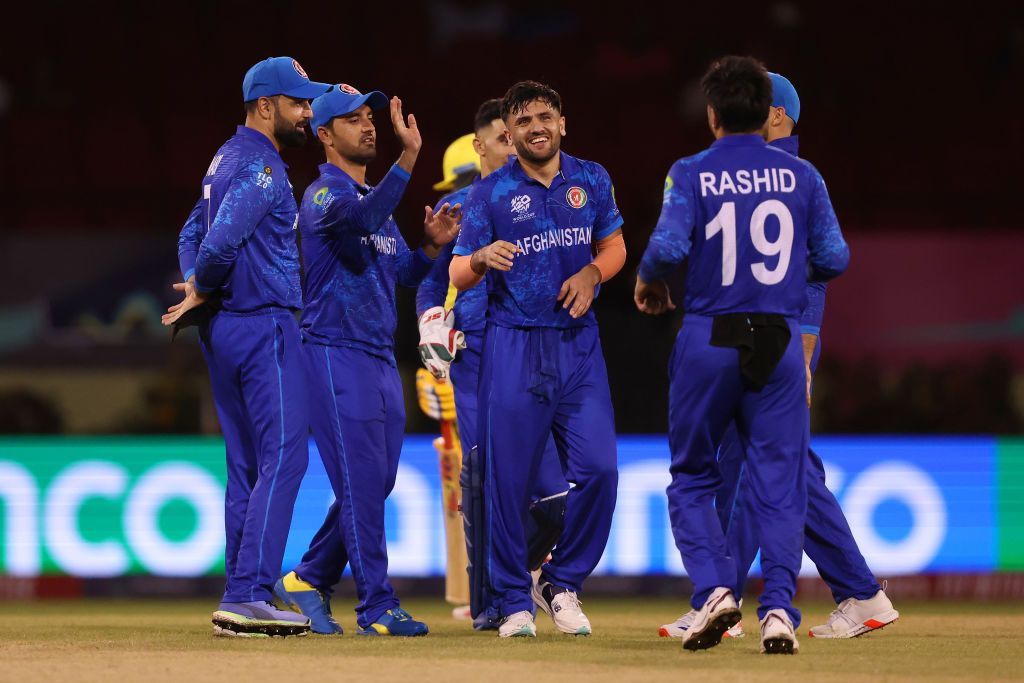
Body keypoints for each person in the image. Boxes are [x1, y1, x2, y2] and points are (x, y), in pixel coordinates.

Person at [660, 72, 897, 641]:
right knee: (781, 469)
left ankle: (724, 598)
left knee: (753, 469)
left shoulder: (781, 179)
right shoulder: (773, 177)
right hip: (766, 341)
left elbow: (815, 275)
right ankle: (854, 593)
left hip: (772, 344)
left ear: (778, 117)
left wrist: (806, 350)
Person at [635, 56, 850, 654]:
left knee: (692, 476)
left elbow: (667, 246)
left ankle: (714, 593)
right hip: (779, 340)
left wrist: (650, 282)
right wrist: (779, 276)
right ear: (765, 112)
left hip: (710, 333)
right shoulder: (803, 177)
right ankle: (779, 610)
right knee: (779, 482)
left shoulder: (692, 171)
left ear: (712, 114)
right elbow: (834, 258)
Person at [269, 83, 459, 637]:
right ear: (324, 135)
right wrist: (408, 157)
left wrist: (430, 247)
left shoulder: (374, 203)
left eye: (370, 117)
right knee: (360, 483)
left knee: (376, 482)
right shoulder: (324, 197)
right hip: (331, 352)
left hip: (378, 358)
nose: (370, 126)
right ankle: (376, 604)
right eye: (352, 120)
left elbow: (404, 274)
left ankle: (307, 578)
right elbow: (362, 220)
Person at [450, 81, 627, 638]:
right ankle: (512, 602)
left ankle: (562, 581)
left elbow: (615, 246)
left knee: (600, 470)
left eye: (545, 116)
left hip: (577, 344)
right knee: (506, 482)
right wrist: (479, 257)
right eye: (523, 122)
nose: (536, 127)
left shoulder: (592, 178)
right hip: (514, 342)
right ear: (509, 133)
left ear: (563, 122)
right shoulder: (489, 196)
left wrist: (594, 273)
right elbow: (457, 272)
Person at [163, 56, 330, 638]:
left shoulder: (223, 158)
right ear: (266, 105)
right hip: (264, 326)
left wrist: (199, 296)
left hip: (225, 329)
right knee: (286, 457)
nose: (308, 113)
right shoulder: (261, 168)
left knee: (248, 466)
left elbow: (192, 233)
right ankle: (249, 593)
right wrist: (202, 285)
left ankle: (238, 591)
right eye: (298, 102)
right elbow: (218, 244)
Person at [416, 99, 570, 631]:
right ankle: (496, 603)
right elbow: (433, 282)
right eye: (505, 139)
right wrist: (431, 320)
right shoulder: (460, 210)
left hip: (534, 354)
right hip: (477, 354)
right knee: (480, 478)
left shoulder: (547, 200)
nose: (518, 145)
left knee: (552, 494)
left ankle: (520, 574)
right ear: (482, 146)